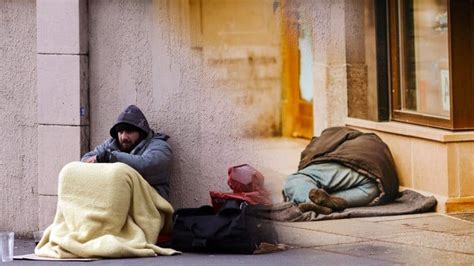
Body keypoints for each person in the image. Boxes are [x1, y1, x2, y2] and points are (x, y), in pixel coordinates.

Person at [283, 127, 399, 214]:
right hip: (376, 187)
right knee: (326, 198)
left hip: (355, 163)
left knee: (296, 179)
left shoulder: (328, 137)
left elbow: (309, 156)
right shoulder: (367, 140)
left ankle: (309, 201)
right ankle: (327, 203)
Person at [81, 105, 172, 201]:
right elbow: (85, 161)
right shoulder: (111, 144)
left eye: (129, 132)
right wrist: (102, 158)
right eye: (120, 132)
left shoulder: (159, 146)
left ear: (141, 132)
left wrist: (111, 157)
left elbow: (146, 165)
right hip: (113, 202)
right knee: (70, 170)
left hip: (149, 206)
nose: (124, 137)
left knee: (119, 174)